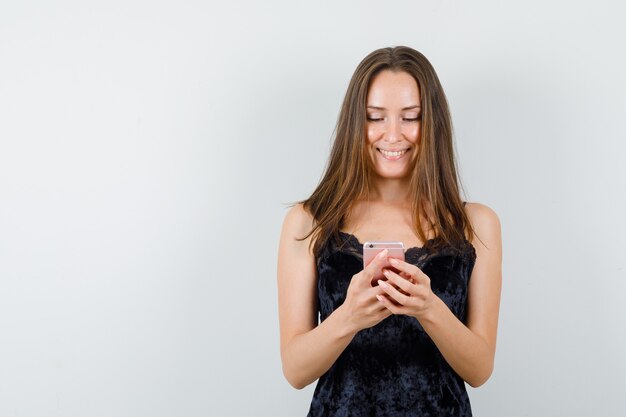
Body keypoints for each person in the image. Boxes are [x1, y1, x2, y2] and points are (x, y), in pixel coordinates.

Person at [276, 46, 502, 416]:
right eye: (375, 117)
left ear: (433, 123)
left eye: (410, 117)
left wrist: (430, 309)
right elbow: (295, 370)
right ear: (355, 123)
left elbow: (480, 370)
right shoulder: (309, 221)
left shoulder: (476, 224)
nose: (393, 135)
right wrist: (349, 316)